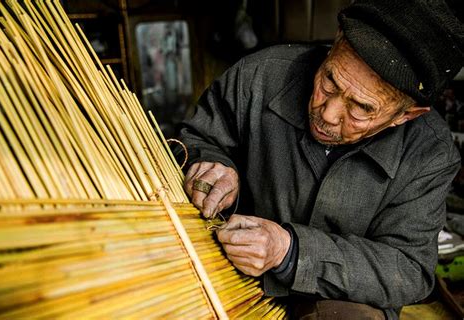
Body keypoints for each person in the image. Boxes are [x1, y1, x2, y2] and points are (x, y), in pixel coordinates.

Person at [174, 0, 463, 318]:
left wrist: (290, 252)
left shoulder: (429, 153)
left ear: (406, 115)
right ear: (336, 40)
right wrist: (215, 167)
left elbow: (408, 270)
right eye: (329, 81)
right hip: (228, 272)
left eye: (361, 108)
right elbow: (196, 139)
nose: (327, 113)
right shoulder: (258, 76)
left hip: (341, 302)